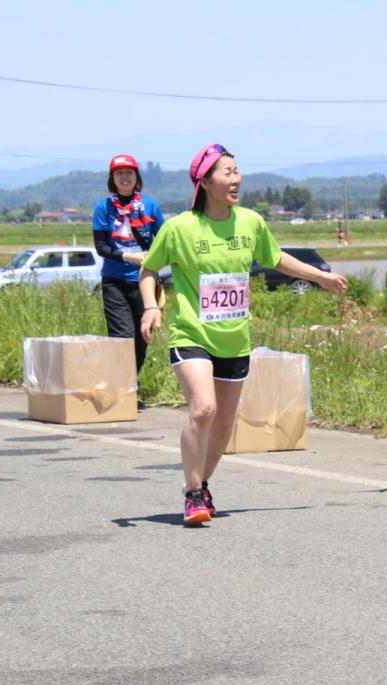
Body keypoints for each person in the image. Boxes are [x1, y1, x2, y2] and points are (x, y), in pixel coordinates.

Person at [138, 144, 348, 525]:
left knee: (223, 425)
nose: (236, 179)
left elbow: (276, 258)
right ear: (204, 181)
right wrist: (152, 307)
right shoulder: (180, 228)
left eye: (237, 171)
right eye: (227, 172)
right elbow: (149, 269)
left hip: (234, 338)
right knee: (204, 408)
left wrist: (320, 276)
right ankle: (192, 493)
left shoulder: (250, 222)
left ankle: (203, 485)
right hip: (191, 332)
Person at [92, 154, 164, 376]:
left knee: (142, 337)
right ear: (112, 178)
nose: (125, 177)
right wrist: (127, 256)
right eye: (119, 173)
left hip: (145, 281)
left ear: (137, 177)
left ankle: (130, 384)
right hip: (115, 281)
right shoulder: (103, 207)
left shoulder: (150, 205)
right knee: (122, 336)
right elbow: (101, 247)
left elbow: (164, 241)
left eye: (129, 173)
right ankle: (125, 388)